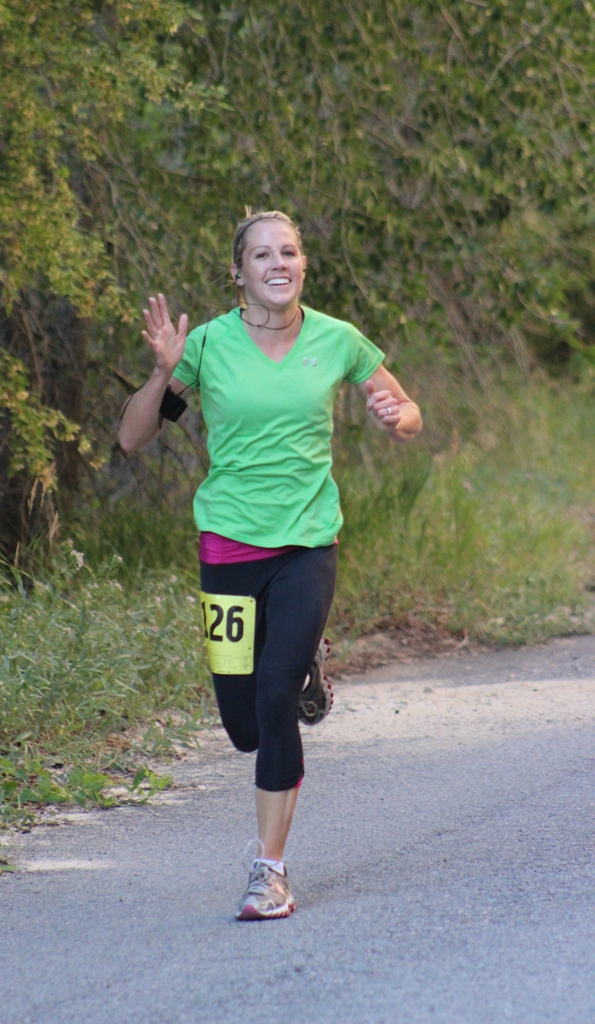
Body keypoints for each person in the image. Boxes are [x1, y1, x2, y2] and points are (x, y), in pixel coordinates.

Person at [118, 210, 422, 920]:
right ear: (239, 273)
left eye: (288, 252)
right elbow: (131, 438)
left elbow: (407, 410)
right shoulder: (208, 347)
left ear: (302, 265)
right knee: (244, 726)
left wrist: (393, 417)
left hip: (307, 542)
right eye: (262, 255)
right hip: (227, 544)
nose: (277, 263)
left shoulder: (337, 339)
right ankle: (302, 667)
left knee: (275, 692)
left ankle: (268, 870)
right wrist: (162, 372)